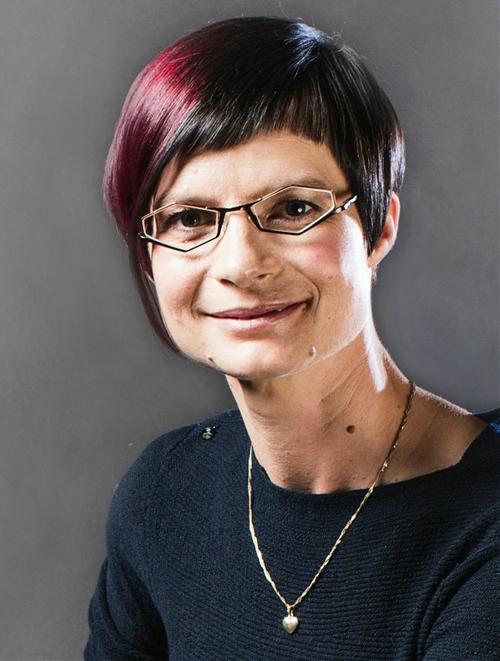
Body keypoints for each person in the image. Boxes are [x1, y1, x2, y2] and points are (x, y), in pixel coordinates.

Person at [84, 16, 500, 660]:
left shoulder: (486, 527)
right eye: (189, 218)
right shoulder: (163, 495)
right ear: (148, 257)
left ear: (379, 226)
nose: (240, 264)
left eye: (294, 208)